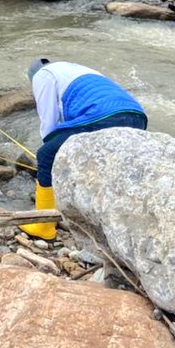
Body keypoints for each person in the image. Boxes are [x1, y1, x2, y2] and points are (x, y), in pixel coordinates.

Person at [21, 58, 148, 240]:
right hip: (137, 116)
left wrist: (49, 152)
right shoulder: (76, 69)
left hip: (103, 116)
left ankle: (44, 225)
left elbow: (48, 122)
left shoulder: (43, 75)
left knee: (46, 154)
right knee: (108, 166)